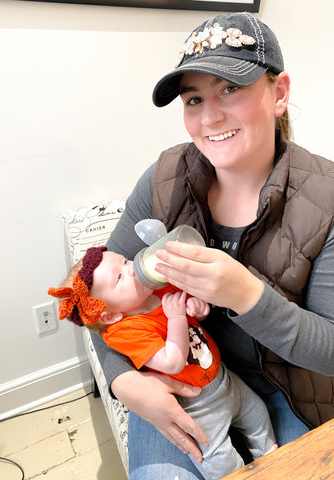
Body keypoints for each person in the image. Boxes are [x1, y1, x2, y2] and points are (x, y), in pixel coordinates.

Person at [91, 11, 334, 480]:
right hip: (180, 375)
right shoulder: (164, 179)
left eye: (231, 89)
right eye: (194, 98)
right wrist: (123, 381)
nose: (210, 117)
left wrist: (247, 295)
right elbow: (96, 294)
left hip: (287, 386)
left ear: (279, 94)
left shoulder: (326, 199)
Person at [48, 246, 277, 480]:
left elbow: (193, 316)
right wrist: (177, 316)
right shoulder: (124, 331)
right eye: (119, 277)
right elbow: (172, 362)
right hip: (199, 405)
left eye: (126, 261)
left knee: (257, 414)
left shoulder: (157, 290)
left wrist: (197, 310)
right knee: (220, 460)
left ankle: (271, 457)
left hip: (224, 379)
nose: (133, 269)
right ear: (110, 315)